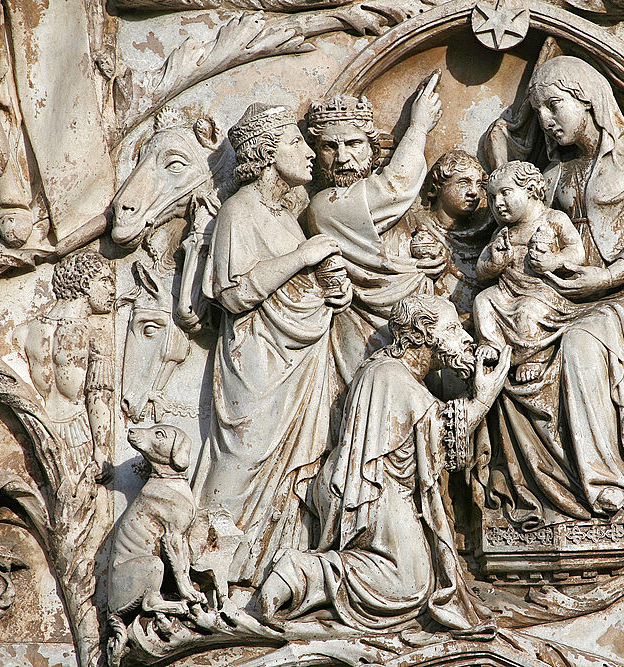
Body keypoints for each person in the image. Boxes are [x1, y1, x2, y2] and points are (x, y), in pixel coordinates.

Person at [478, 56, 624, 527]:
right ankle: (538, 500)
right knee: (506, 338)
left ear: (588, 102)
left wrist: (607, 277)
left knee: (583, 341)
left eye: (554, 106)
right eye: (538, 110)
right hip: (573, 296)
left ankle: (609, 491)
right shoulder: (552, 174)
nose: (545, 120)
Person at [256, 294, 510, 636]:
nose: (465, 337)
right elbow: (439, 437)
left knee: (412, 582)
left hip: (379, 488)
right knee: (407, 585)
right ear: (422, 334)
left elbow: (433, 443)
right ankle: (300, 571)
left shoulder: (394, 372)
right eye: (453, 328)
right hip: (371, 491)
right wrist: (482, 399)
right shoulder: (391, 375)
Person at [193, 103, 351, 586]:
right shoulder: (240, 211)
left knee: (294, 465)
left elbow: (294, 285)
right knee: (243, 453)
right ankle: (203, 563)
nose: (309, 154)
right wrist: (303, 256)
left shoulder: (285, 214)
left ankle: (264, 566)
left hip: (299, 358)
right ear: (266, 152)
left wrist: (329, 290)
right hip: (257, 360)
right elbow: (233, 292)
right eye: (296, 143)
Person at [305, 75, 443, 385]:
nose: (342, 158)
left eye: (353, 144)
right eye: (329, 147)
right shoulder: (324, 206)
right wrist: (418, 128)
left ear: (372, 148)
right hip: (361, 330)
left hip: (420, 334)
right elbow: (394, 187)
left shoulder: (384, 208)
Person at [473, 161, 584, 384]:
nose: (498, 204)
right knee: (483, 300)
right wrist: (495, 262)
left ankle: (535, 357)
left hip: (543, 293)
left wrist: (553, 261)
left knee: (527, 311)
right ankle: (492, 344)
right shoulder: (501, 232)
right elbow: (481, 270)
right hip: (507, 291)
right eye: (492, 198)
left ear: (531, 189)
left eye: (505, 193)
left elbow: (576, 252)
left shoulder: (553, 220)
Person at [13, 250, 114, 484]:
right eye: (105, 281)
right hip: (79, 436)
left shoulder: (24, 332)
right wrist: (102, 449)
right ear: (84, 282)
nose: (112, 290)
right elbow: (99, 395)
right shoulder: (94, 337)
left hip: (39, 434)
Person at [395, 150, 495, 329]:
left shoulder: (487, 229)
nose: (474, 192)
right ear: (438, 186)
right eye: (463, 183)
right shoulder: (412, 224)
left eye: (479, 184)